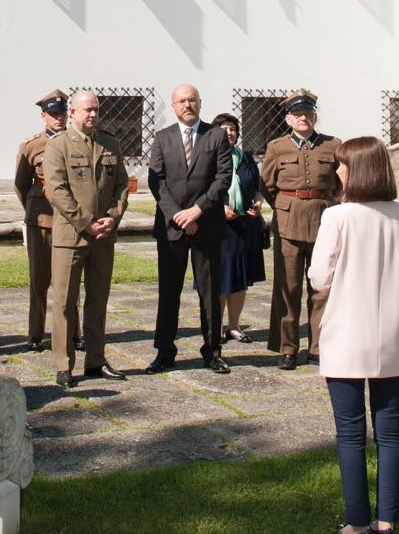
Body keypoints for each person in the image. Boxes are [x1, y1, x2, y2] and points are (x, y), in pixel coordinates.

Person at [309, 137, 399, 534]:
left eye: (342, 165)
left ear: (356, 170)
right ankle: (386, 521)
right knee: (390, 432)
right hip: (389, 333)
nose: (337, 171)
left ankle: (357, 520)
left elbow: (319, 277)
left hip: (346, 335)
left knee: (351, 434)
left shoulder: (338, 217)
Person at [41, 88, 129, 388]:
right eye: (86, 110)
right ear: (73, 112)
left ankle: (95, 360)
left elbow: (121, 186)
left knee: (98, 300)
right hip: (71, 237)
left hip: (103, 236)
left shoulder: (109, 143)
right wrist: (86, 223)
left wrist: (113, 218)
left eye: (95, 109)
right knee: (65, 302)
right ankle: (63, 364)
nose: (92, 114)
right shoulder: (58, 145)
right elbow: (57, 190)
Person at [145, 84, 233, 375]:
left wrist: (197, 210)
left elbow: (222, 178)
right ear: (173, 106)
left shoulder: (217, 135)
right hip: (172, 228)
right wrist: (178, 216)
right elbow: (156, 181)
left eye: (192, 100)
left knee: (209, 292)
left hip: (206, 224)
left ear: (200, 102)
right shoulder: (161, 138)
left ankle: (212, 351)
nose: (188, 105)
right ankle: (164, 352)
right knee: (168, 292)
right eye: (182, 101)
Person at [260, 89, 342, 369]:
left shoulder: (333, 145)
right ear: (288, 119)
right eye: (297, 114)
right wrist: (287, 206)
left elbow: (341, 186)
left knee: (322, 289)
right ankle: (288, 348)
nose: (302, 118)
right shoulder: (276, 147)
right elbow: (267, 186)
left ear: (315, 115)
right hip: (288, 225)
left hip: (324, 223)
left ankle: (318, 347)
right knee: (288, 288)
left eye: (307, 113)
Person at [14, 90, 69, 352]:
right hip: (41, 217)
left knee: (69, 280)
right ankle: (35, 333)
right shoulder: (32, 146)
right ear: (43, 116)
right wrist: (33, 208)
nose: (59, 118)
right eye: (54, 113)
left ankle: (74, 333)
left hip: (69, 218)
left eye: (62, 112)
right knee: (39, 279)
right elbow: (20, 184)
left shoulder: (75, 141)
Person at [209, 113, 265, 346]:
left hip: (244, 225)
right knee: (222, 278)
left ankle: (234, 325)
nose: (229, 132)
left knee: (240, 279)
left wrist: (259, 202)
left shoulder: (247, 158)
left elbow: (256, 187)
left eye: (232, 128)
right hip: (219, 227)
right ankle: (216, 326)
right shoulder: (208, 157)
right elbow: (200, 190)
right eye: (224, 128)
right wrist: (219, 209)